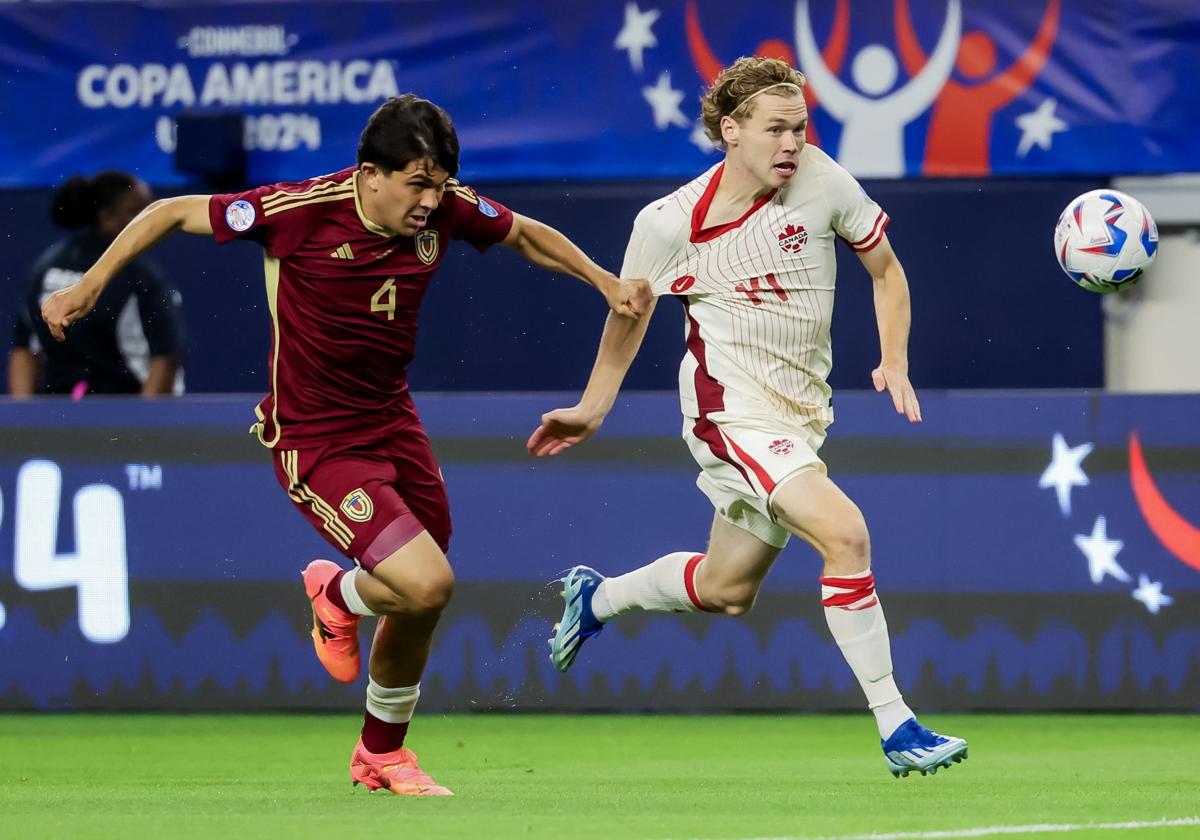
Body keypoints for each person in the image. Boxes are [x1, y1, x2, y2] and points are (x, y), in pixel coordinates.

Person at [41, 94, 651, 796]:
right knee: (427, 584)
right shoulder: (298, 211)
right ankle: (351, 639)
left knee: (419, 594)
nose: (431, 202)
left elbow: (522, 234)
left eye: (441, 185)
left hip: (394, 425)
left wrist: (604, 281)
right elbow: (171, 211)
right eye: (417, 184)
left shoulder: (444, 206)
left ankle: (373, 728)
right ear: (370, 176)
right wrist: (91, 285)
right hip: (315, 438)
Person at [530, 57, 967, 778]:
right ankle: (898, 723)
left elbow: (885, 270)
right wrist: (593, 406)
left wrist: (895, 358)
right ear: (730, 131)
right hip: (729, 413)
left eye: (800, 127)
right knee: (847, 534)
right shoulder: (668, 223)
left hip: (800, 418)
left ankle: (598, 596)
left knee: (727, 591)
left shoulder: (824, 181)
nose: (792, 143)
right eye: (775, 129)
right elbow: (627, 317)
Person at [10, 171, 184, 397]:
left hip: (57, 420)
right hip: (125, 418)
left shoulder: (45, 266)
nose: (153, 223)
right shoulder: (140, 275)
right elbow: (165, 357)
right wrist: (144, 426)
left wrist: (23, 423)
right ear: (107, 216)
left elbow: (23, 352)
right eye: (141, 213)